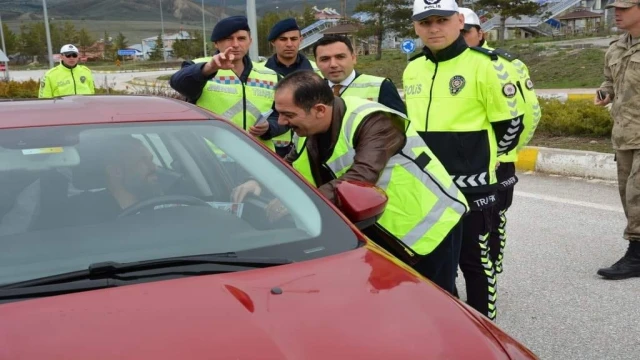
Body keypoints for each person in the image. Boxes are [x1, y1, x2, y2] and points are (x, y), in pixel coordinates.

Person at [232, 70, 469, 294]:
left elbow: (360, 180)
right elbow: (292, 163)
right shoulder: (308, 127)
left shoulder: (374, 121)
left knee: (432, 306)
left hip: (429, 228)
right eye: (280, 113)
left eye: (288, 115)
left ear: (320, 110)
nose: (281, 122)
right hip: (380, 233)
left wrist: (298, 203)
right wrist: (261, 182)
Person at [404, 0, 524, 321]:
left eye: (441, 20)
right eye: (425, 22)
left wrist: (490, 164)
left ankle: (486, 332)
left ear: (459, 21)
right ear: (415, 26)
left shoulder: (487, 65)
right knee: (432, 262)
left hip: (473, 188)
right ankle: (449, 327)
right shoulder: (413, 67)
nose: (433, 28)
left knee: (474, 262)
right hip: (427, 189)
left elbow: (512, 123)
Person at [459, 7, 541, 275]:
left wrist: (507, 153)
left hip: (496, 161)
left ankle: (489, 277)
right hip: (455, 163)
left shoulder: (506, 65)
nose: (459, 38)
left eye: (465, 32)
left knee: (492, 220)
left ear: (479, 33)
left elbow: (530, 113)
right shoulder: (434, 67)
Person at [169, 16, 290, 155]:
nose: (235, 44)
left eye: (241, 38)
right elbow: (177, 83)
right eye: (228, 39)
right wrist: (209, 68)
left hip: (258, 160)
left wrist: (269, 127)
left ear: (250, 41)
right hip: (211, 158)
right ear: (216, 43)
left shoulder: (271, 76)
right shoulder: (199, 67)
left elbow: (285, 117)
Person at [595, 0, 640, 280]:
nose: (617, 12)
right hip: (624, 134)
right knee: (627, 194)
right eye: (615, 8)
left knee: (638, 195)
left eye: (625, 7)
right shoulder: (616, 47)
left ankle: (636, 255)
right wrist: (605, 92)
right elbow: (609, 81)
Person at [66, 136, 163, 225]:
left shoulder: (163, 203)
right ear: (115, 171)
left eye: (151, 160)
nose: (154, 167)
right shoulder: (87, 218)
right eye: (144, 161)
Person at [312, 34, 406, 115]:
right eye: (325, 59)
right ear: (316, 63)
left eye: (340, 57)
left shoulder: (381, 87)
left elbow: (399, 129)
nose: (333, 64)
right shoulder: (311, 92)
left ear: (353, 58)